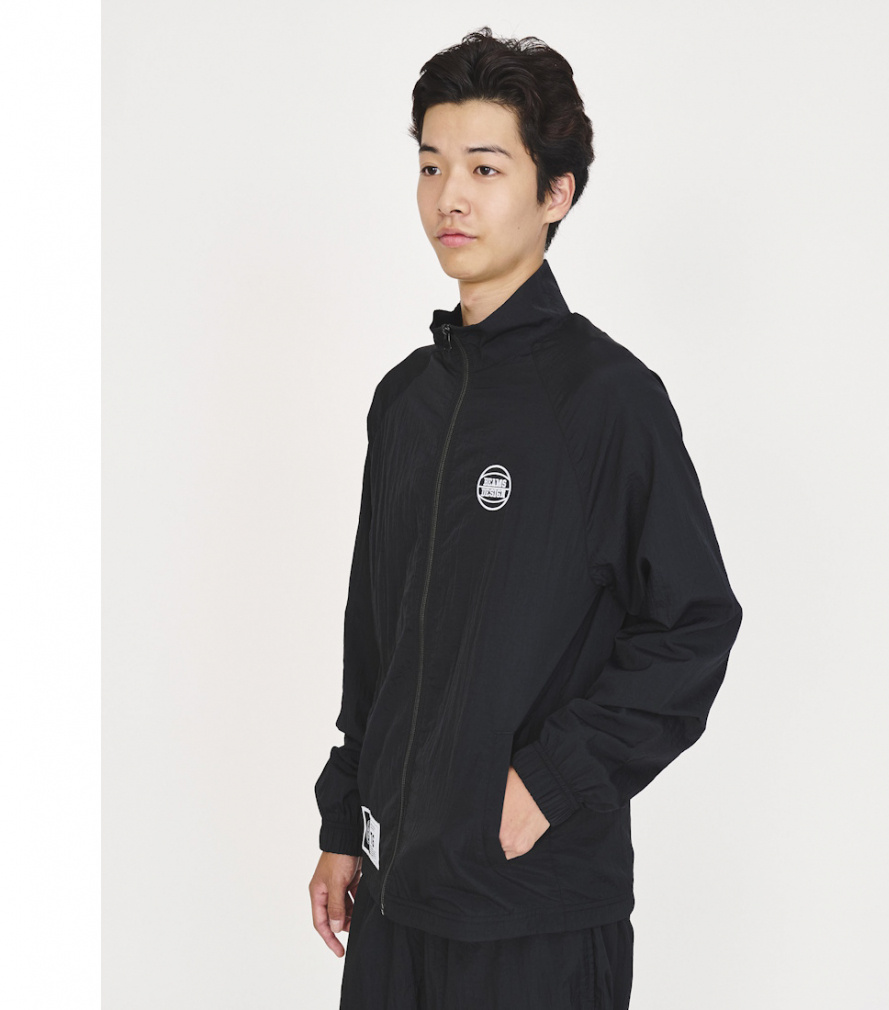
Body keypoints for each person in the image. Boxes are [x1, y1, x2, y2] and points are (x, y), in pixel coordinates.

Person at [308, 26, 743, 1009]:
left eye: (484, 167)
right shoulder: (405, 402)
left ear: (556, 193)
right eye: (431, 165)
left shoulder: (607, 401)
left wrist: (552, 779)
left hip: (532, 916)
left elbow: (693, 621)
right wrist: (345, 820)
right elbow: (375, 639)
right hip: (394, 904)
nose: (448, 197)